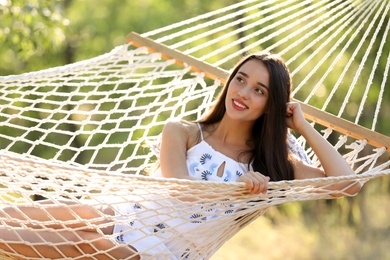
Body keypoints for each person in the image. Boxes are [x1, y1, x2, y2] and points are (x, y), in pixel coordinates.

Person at [0, 51, 361, 259]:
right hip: (130, 216)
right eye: (240, 79)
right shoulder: (183, 132)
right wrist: (238, 191)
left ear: (272, 104)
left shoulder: (271, 169)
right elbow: (179, 190)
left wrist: (303, 126)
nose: (243, 92)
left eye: (259, 90)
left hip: (166, 252)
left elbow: (347, 186)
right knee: (66, 213)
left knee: (89, 244)